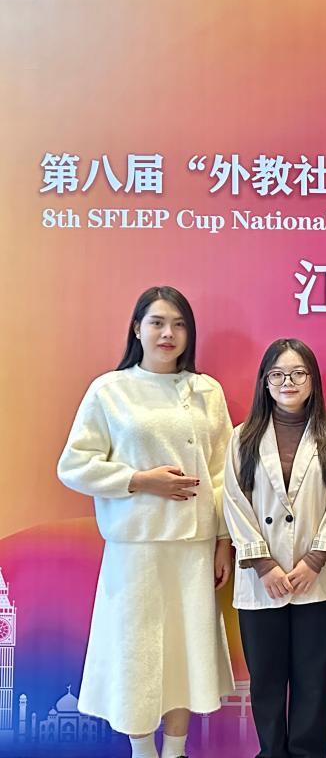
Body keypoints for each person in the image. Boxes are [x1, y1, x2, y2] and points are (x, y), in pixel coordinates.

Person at [56, 286, 234, 758]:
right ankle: (142, 750)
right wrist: (138, 480)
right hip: (136, 548)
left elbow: (222, 473)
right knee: (136, 652)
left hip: (193, 547)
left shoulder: (206, 391)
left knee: (183, 652)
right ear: (137, 328)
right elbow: (73, 465)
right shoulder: (110, 390)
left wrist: (222, 541)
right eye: (157, 322)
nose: (167, 333)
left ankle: (174, 751)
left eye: (178, 324)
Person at [222, 338, 326, 758]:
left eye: (298, 373)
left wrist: (316, 558)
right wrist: (263, 564)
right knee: (266, 680)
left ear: (312, 380)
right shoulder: (243, 436)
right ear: (265, 382)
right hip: (262, 580)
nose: (287, 382)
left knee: (314, 679)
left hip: (316, 577)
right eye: (277, 374)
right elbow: (233, 501)